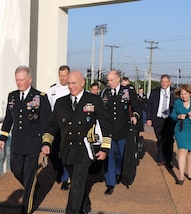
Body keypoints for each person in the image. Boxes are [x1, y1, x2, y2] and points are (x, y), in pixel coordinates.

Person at [41, 70, 112, 214]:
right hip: (67, 150)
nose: (71, 86)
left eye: (74, 83)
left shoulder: (94, 100)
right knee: (76, 182)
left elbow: (105, 125)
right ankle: (85, 203)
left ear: (82, 83)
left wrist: (104, 148)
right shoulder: (61, 103)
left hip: (84, 151)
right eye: (69, 83)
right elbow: (52, 125)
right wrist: (46, 142)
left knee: (77, 183)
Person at [0, 65, 51, 214]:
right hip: (17, 142)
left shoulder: (40, 97)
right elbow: (9, 118)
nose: (19, 83)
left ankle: (25, 209)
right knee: (16, 169)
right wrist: (3, 137)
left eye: (21, 80)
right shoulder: (12, 96)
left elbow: (46, 123)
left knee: (29, 176)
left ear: (29, 80)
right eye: (17, 80)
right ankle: (33, 185)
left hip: (33, 143)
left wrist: (45, 143)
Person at [100, 70, 142, 195]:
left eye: (112, 80)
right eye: (108, 80)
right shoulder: (104, 93)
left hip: (123, 130)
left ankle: (118, 173)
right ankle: (110, 183)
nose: (109, 82)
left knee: (121, 155)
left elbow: (137, 107)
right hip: (108, 131)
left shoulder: (127, 92)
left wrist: (135, 116)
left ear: (118, 79)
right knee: (109, 156)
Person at [47, 65, 71, 190]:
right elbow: (49, 109)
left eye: (65, 76)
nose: (62, 78)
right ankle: (60, 169)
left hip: (68, 126)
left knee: (66, 153)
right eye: (61, 76)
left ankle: (65, 178)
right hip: (55, 126)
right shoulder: (52, 90)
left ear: (69, 75)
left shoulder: (72, 89)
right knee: (53, 152)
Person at [146, 74, 176, 168]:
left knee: (169, 140)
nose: (164, 83)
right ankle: (160, 159)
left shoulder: (174, 92)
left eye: (166, 82)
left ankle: (168, 160)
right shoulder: (155, 92)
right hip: (158, 119)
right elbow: (149, 106)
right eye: (162, 82)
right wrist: (149, 118)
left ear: (169, 82)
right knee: (160, 139)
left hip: (170, 119)